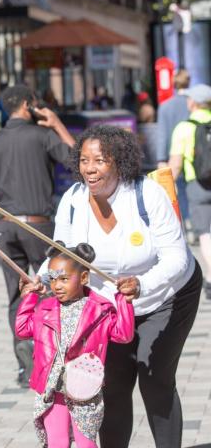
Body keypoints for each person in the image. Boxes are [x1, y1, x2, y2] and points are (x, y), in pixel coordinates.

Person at [38, 125, 201, 448]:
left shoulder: (146, 194)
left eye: (99, 160)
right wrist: (40, 279)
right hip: (108, 307)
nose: (90, 168)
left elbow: (176, 257)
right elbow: (62, 257)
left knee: (154, 379)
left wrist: (142, 284)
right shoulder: (72, 200)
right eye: (84, 160)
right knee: (111, 386)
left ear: (118, 162)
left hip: (166, 296)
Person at [0, 84, 75, 388]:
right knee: (55, 291)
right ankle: (54, 360)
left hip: (3, 229)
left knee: (17, 297)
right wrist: (56, 123)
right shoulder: (42, 136)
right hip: (38, 226)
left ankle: (25, 367)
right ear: (28, 104)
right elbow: (77, 161)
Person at [16, 242, 134, 448]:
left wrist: (124, 301)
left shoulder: (100, 309)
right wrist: (30, 297)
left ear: (84, 277)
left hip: (84, 387)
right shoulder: (45, 308)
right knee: (57, 442)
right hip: (52, 388)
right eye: (52, 279)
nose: (57, 286)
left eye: (64, 279)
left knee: (86, 442)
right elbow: (22, 329)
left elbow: (123, 335)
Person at [168, 84, 211, 299]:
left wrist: (165, 187)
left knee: (204, 233)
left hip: (197, 185)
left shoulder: (184, 128)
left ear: (192, 102)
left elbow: (175, 164)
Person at [157, 69, 191, 226]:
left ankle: (188, 222)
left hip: (173, 154)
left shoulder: (165, 106)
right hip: (195, 154)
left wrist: (161, 158)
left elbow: (162, 134)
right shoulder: (194, 104)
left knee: (181, 191)